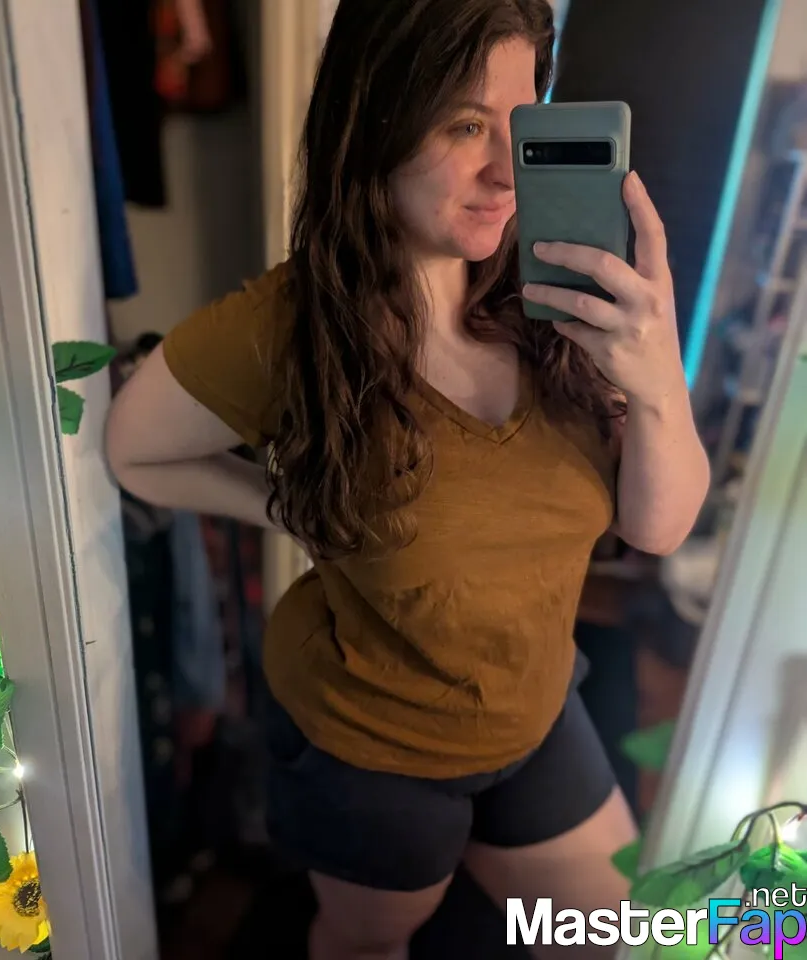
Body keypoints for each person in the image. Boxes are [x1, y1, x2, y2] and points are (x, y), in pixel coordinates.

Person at [105, 1, 710, 957]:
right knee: (369, 947)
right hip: (374, 751)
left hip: (533, 709)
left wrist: (658, 377)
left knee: (619, 940)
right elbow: (135, 451)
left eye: (519, 122)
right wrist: (296, 510)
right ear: (374, 118)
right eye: (464, 125)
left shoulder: (565, 287)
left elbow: (658, 528)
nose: (505, 171)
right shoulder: (290, 328)